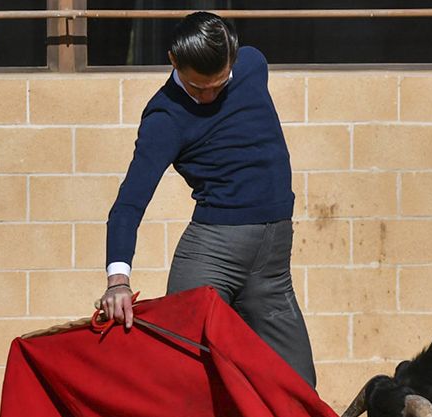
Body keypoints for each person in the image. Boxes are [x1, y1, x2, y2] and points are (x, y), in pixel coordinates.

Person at [99, 11, 316, 387]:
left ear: (233, 58)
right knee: (182, 373)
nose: (210, 96)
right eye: (198, 88)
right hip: (213, 253)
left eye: (220, 84)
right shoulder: (165, 118)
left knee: (299, 384)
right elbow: (129, 203)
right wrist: (118, 281)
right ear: (173, 61)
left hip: (272, 260)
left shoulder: (252, 65)